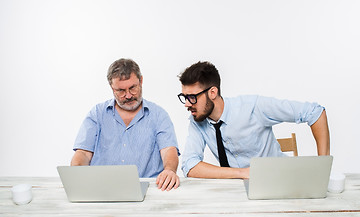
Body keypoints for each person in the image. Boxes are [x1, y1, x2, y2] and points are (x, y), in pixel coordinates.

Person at [177, 61, 330, 179]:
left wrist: (323, 168)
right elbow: (190, 166)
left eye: (192, 97)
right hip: (238, 190)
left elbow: (314, 112)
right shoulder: (197, 120)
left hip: (279, 179)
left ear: (212, 92)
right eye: (184, 97)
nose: (187, 104)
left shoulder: (252, 107)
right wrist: (242, 173)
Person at [71, 58, 180, 191]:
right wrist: (76, 176)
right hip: (102, 190)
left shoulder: (158, 115)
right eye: (121, 91)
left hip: (150, 190)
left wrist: (170, 170)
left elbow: (169, 150)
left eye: (132, 88)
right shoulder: (97, 114)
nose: (128, 95)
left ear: (141, 81)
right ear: (112, 88)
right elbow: (83, 154)